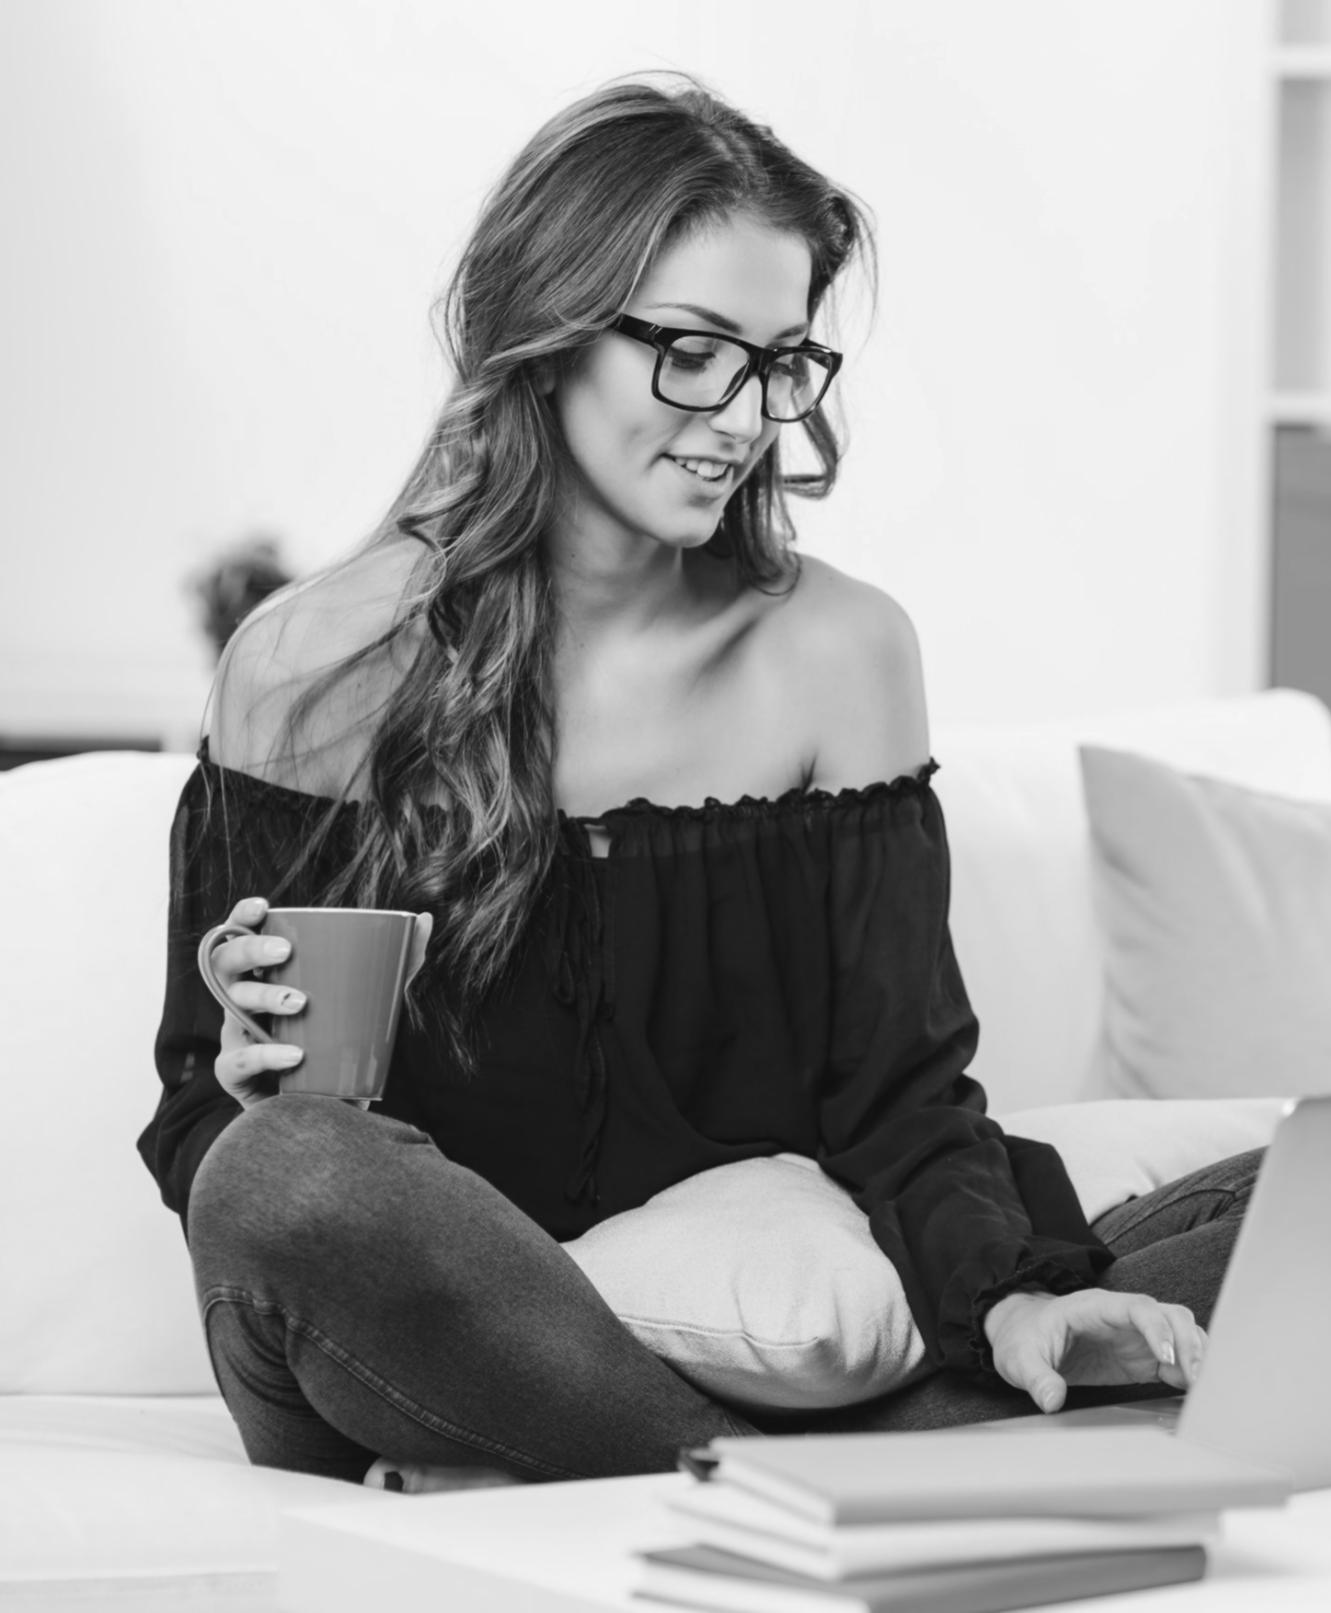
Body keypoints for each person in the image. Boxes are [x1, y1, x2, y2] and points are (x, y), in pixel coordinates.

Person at [136, 73, 1261, 1491]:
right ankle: (846, 1477)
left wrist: (1017, 1299)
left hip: (761, 1327)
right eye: (692, 350)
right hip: (410, 1329)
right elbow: (200, 1127)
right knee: (285, 1175)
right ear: (541, 336)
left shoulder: (835, 651)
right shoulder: (310, 663)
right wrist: (249, 1097)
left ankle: (628, 1468)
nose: (743, 415)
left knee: (1327, 1202)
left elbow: (902, 1098)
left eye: (781, 360)